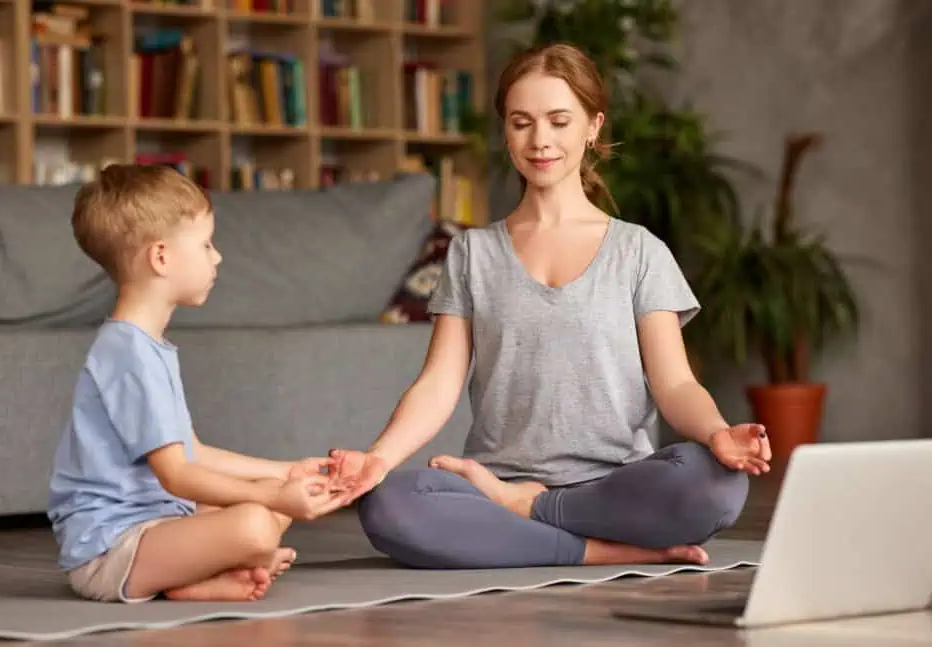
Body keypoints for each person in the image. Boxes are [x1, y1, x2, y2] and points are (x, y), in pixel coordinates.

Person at [327, 43, 772, 570]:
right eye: (521, 123)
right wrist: (377, 460)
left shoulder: (639, 251)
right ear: (506, 131)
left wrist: (719, 435)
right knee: (391, 505)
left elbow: (675, 384)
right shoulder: (473, 253)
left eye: (559, 121)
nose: (540, 141)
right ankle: (595, 550)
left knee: (714, 487)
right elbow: (438, 384)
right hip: (494, 484)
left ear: (592, 126)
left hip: (615, 486)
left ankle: (535, 513)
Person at [47, 165, 350, 603]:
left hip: (158, 524)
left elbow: (193, 452)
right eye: (206, 244)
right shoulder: (128, 353)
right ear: (162, 257)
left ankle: (190, 581)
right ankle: (192, 573)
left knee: (271, 509)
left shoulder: (147, 346)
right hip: (108, 550)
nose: (217, 256)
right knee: (258, 522)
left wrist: (286, 472)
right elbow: (177, 474)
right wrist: (274, 494)